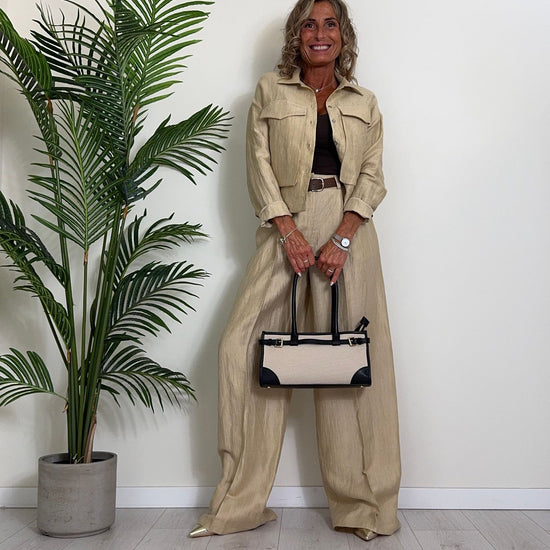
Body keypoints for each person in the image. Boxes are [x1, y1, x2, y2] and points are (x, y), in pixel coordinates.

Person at [190, 0, 401, 542]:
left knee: (351, 364)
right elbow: (257, 164)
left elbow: (373, 175)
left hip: (349, 230)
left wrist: (343, 236)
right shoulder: (269, 91)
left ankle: (364, 507)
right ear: (296, 34)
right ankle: (238, 503)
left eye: (330, 24)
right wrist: (287, 230)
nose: (320, 33)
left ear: (343, 35)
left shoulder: (365, 102)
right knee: (240, 348)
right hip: (284, 224)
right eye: (309, 23)